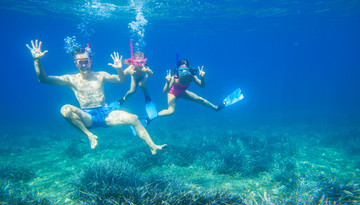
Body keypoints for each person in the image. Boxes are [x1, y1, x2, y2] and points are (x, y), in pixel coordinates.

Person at [26, 39, 166, 154]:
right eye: (79, 62)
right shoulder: (70, 78)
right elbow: (43, 79)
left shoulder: (101, 75)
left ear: (90, 61)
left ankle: (153, 146)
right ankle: (89, 135)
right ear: (75, 63)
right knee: (65, 109)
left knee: (134, 118)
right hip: (88, 116)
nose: (83, 64)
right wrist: (36, 61)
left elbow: (120, 80)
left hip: (106, 113)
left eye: (85, 61)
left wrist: (119, 68)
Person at [158, 59, 224, 117]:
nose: (183, 72)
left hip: (182, 92)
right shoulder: (175, 78)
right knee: (171, 111)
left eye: (185, 70)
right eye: (181, 70)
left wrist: (202, 78)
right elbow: (165, 92)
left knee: (200, 99)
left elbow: (202, 86)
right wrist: (167, 82)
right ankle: (152, 117)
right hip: (172, 94)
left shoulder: (191, 77)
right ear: (178, 70)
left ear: (189, 69)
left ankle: (216, 108)